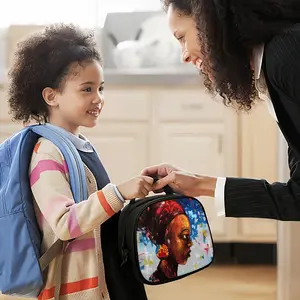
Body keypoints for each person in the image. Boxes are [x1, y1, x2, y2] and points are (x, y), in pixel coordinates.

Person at [8, 24, 153, 300]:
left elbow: (98, 210)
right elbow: (64, 223)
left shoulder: (79, 145)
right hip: (78, 286)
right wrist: (120, 192)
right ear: (51, 96)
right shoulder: (47, 154)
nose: (98, 99)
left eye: (100, 88)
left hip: (105, 273)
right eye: (86, 89)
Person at [142, 0, 300, 221]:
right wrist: (199, 184)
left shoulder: (287, 55)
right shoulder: (275, 60)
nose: (184, 55)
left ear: (211, 23)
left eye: (182, 38)